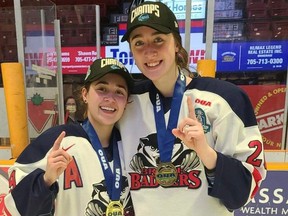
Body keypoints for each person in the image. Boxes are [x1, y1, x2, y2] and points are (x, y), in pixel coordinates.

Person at [118, 1, 267, 216]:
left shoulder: (224, 99)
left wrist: (207, 154)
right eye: (139, 42)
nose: (149, 51)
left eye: (158, 40)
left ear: (176, 44)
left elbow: (243, 192)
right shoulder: (128, 103)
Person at [3, 58, 135, 216]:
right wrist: (45, 181)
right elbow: (13, 206)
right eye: (102, 89)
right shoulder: (58, 140)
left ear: (126, 101)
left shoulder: (132, 145)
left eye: (119, 92)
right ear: (85, 94)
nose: (110, 98)